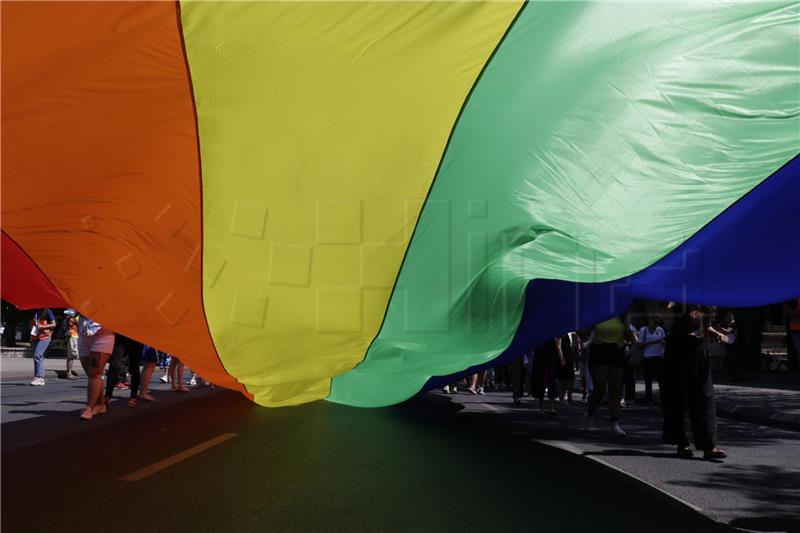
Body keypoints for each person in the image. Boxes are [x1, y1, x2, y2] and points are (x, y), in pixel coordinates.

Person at [662, 305, 726, 460]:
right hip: (678, 349)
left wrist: (719, 334)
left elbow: (706, 326)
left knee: (705, 397)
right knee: (677, 397)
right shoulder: (679, 295)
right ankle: (681, 442)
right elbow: (666, 309)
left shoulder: (706, 300)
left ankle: (709, 446)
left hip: (699, 351)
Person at [583, 316, 631, 436]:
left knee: (615, 388)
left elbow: (629, 337)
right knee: (600, 388)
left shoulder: (622, 312)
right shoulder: (599, 311)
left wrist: (629, 332)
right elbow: (583, 332)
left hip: (617, 350)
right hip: (599, 349)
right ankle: (590, 413)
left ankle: (614, 423)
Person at [77, 317, 115, 420]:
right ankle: (101, 404)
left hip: (103, 335)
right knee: (92, 374)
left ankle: (89, 408)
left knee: (94, 373)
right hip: (83, 334)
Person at [638, 315, 666, 406]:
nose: (656, 324)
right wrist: (652, 342)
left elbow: (665, 342)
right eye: (654, 321)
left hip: (658, 357)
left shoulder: (660, 330)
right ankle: (649, 399)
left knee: (661, 380)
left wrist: (663, 343)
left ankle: (663, 399)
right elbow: (640, 345)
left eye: (658, 322)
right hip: (648, 357)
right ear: (649, 320)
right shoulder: (643, 330)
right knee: (648, 380)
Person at [531, 338, 562, 414]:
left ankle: (550, 407)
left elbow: (558, 341)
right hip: (541, 349)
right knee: (540, 379)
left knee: (551, 379)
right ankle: (542, 407)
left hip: (549, 350)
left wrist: (561, 358)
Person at [30, 308, 56, 386]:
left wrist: (42, 326)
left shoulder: (48, 311)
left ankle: (38, 377)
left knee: (37, 355)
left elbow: (54, 324)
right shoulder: (36, 311)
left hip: (45, 336)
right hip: (36, 336)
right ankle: (40, 379)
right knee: (39, 356)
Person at [558, 333, 577, 404]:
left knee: (570, 378)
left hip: (569, 358)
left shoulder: (568, 334)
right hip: (563, 358)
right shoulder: (560, 333)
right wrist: (562, 359)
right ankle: (561, 398)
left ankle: (569, 397)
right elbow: (558, 346)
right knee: (562, 378)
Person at [64, 314, 80, 380]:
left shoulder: (77, 316)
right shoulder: (71, 317)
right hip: (72, 337)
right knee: (71, 356)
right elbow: (72, 322)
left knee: (73, 356)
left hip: (76, 337)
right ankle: (69, 373)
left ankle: (69, 372)